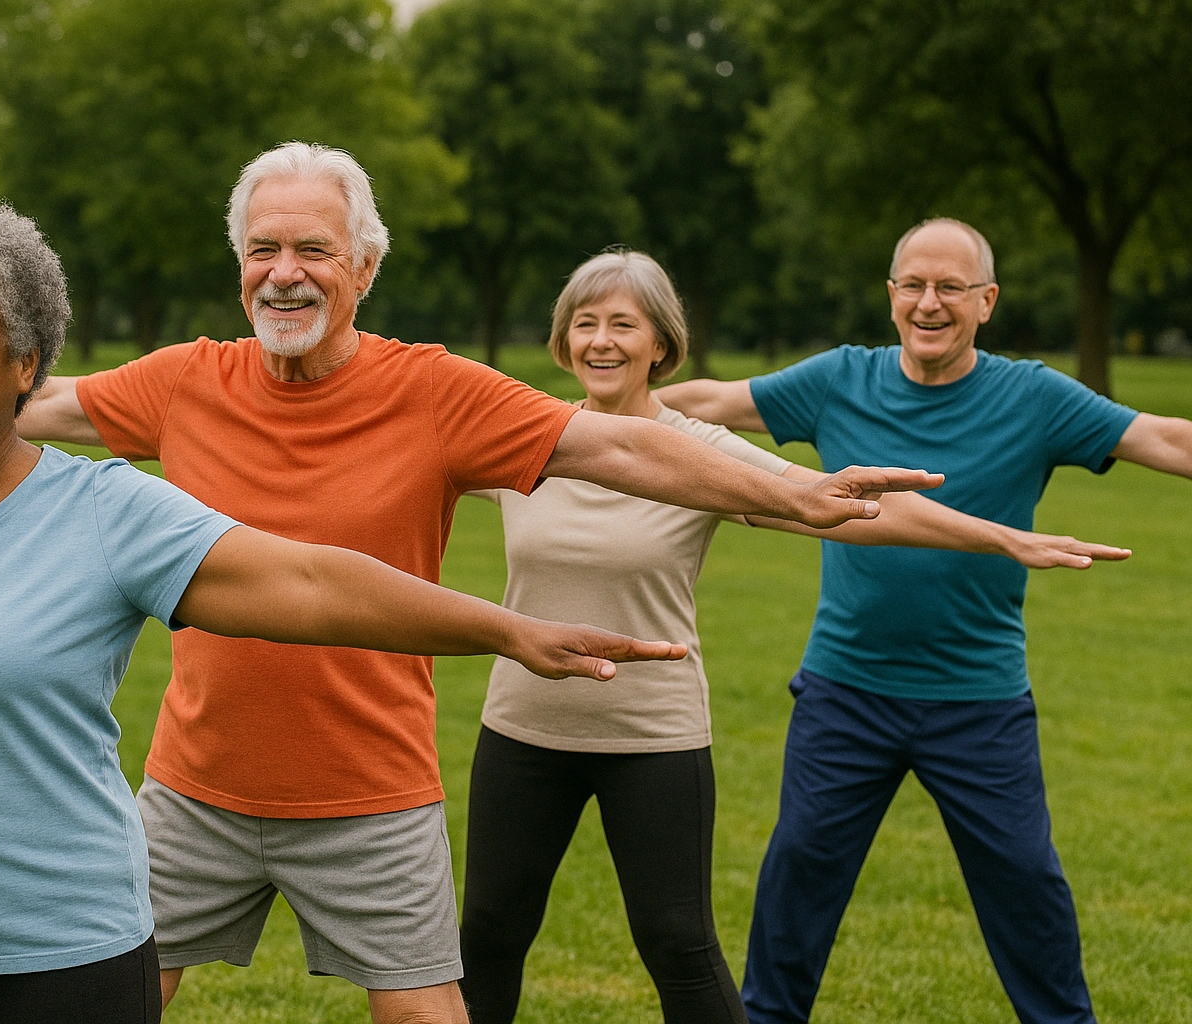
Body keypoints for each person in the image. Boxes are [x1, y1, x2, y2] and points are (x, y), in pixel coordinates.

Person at [0, 144, 939, 1024]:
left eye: (312, 249)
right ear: (238, 264)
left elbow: (614, 444)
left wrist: (792, 493)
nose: (284, 270)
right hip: (196, 782)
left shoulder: (437, 387)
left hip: (368, 787)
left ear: (363, 266)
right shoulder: (173, 381)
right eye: (263, 246)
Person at [455, 250, 1130, 1024]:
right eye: (585, 324)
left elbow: (830, 504)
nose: (602, 342)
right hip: (521, 729)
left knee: (677, 943)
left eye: (622, 324)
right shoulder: (527, 435)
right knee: (489, 935)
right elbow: (404, 462)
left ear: (660, 345)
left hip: (653, 735)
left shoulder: (697, 449)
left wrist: (1001, 538)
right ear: (563, 341)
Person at [653, 218, 1192, 1024]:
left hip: (980, 700)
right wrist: (590, 414)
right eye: (912, 285)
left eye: (950, 287)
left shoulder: (1033, 396)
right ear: (892, 295)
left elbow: (1165, 437)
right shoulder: (840, 380)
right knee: (798, 871)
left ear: (988, 301)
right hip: (845, 692)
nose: (929, 303)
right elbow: (707, 404)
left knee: (1025, 880)